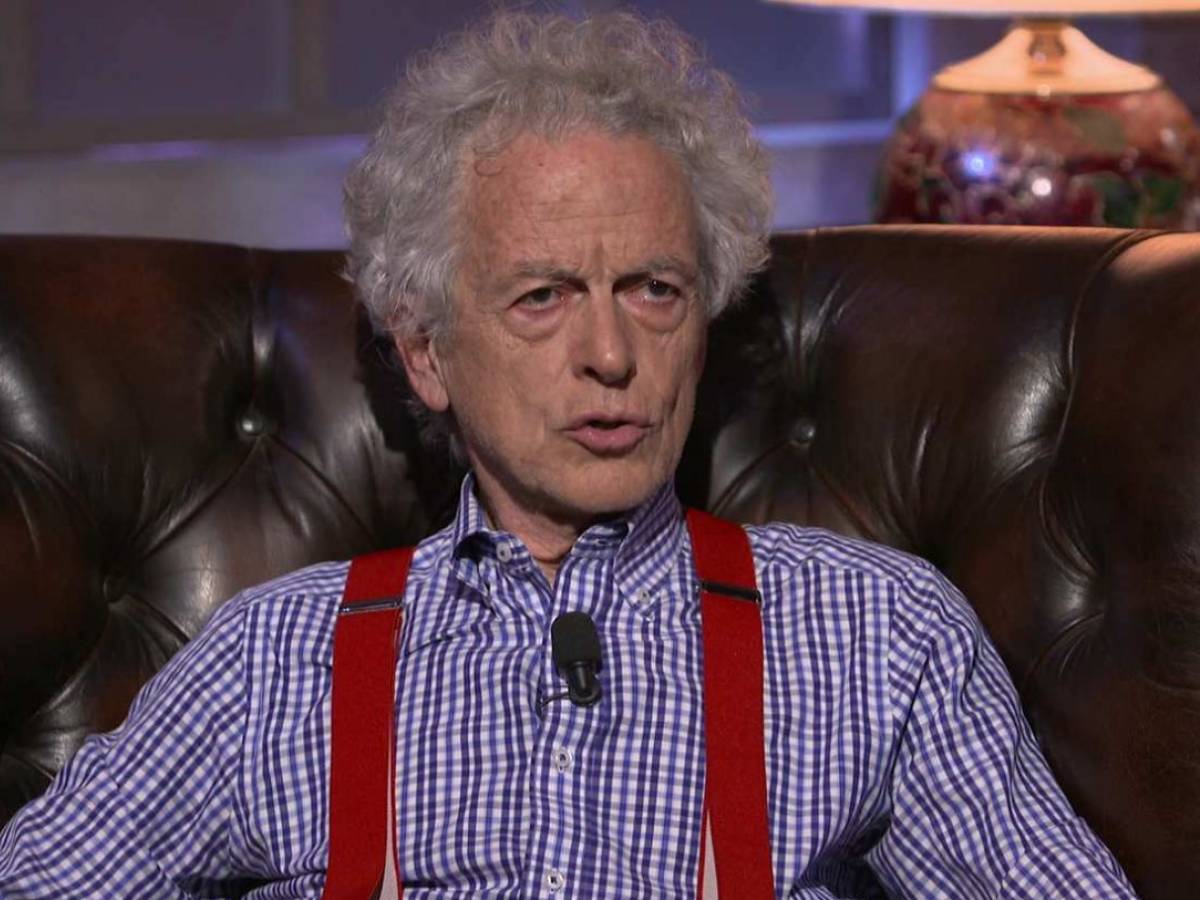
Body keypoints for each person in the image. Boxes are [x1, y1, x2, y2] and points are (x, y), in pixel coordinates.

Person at [0, 10, 1136, 899]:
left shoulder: (878, 637)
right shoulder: (273, 663)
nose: (611, 355)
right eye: (542, 296)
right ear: (427, 353)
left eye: (654, 289)